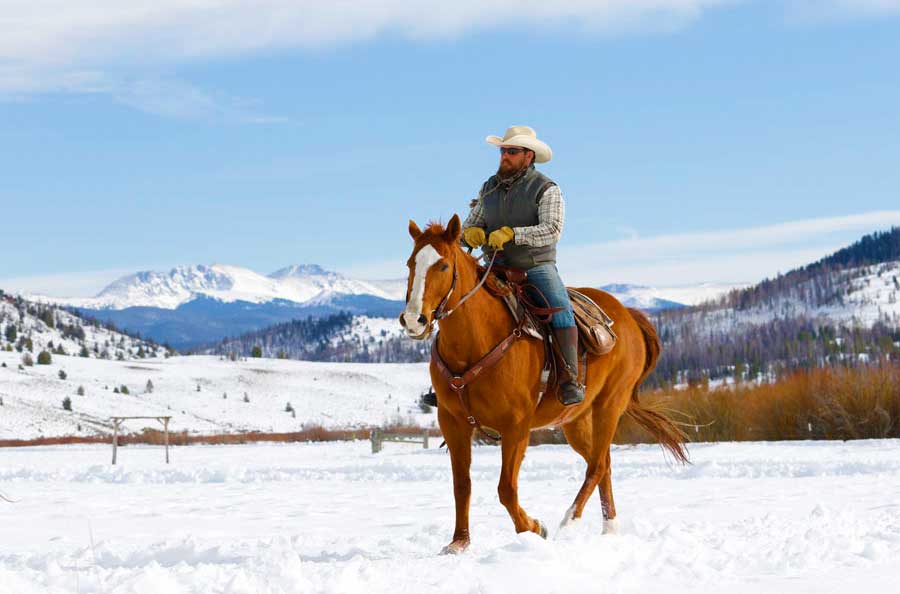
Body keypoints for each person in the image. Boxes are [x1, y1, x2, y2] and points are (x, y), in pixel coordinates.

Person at [461, 125, 584, 405]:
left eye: (512, 151)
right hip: (494, 266)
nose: (504, 156)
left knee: (561, 310)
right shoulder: (488, 187)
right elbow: (470, 224)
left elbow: (552, 229)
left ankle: (569, 378)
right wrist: (469, 234)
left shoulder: (547, 188)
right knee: (456, 303)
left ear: (529, 156)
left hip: (535, 266)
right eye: (503, 150)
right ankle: (449, 379)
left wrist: (514, 233)